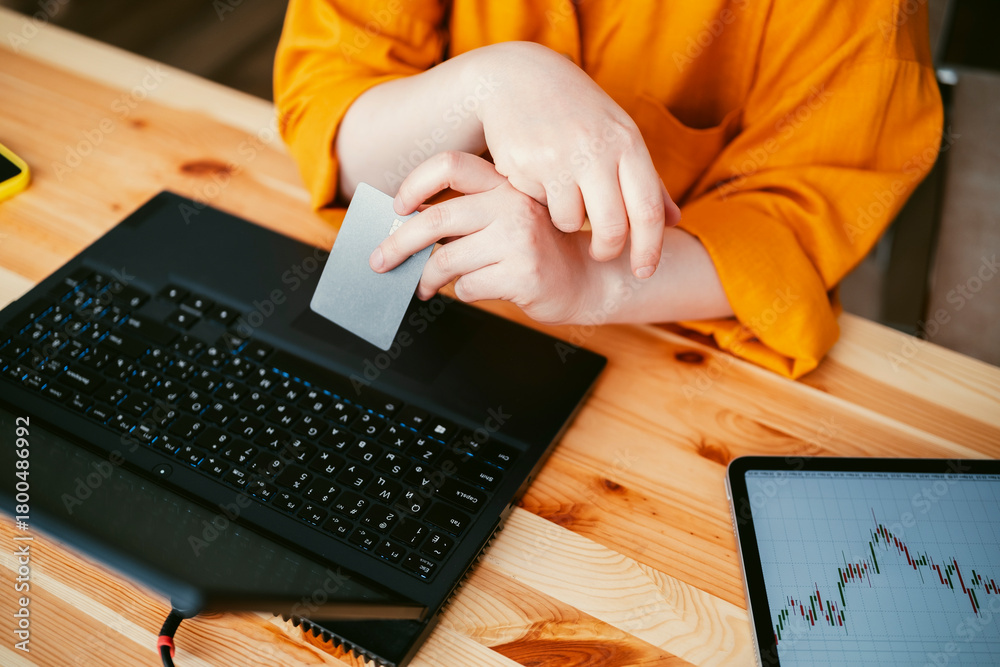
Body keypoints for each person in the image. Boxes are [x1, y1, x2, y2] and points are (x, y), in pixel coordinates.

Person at [274, 0, 943, 378]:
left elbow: (791, 229)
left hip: (662, 342)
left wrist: (593, 281)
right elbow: (331, 108)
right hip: (416, 303)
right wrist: (488, 83)